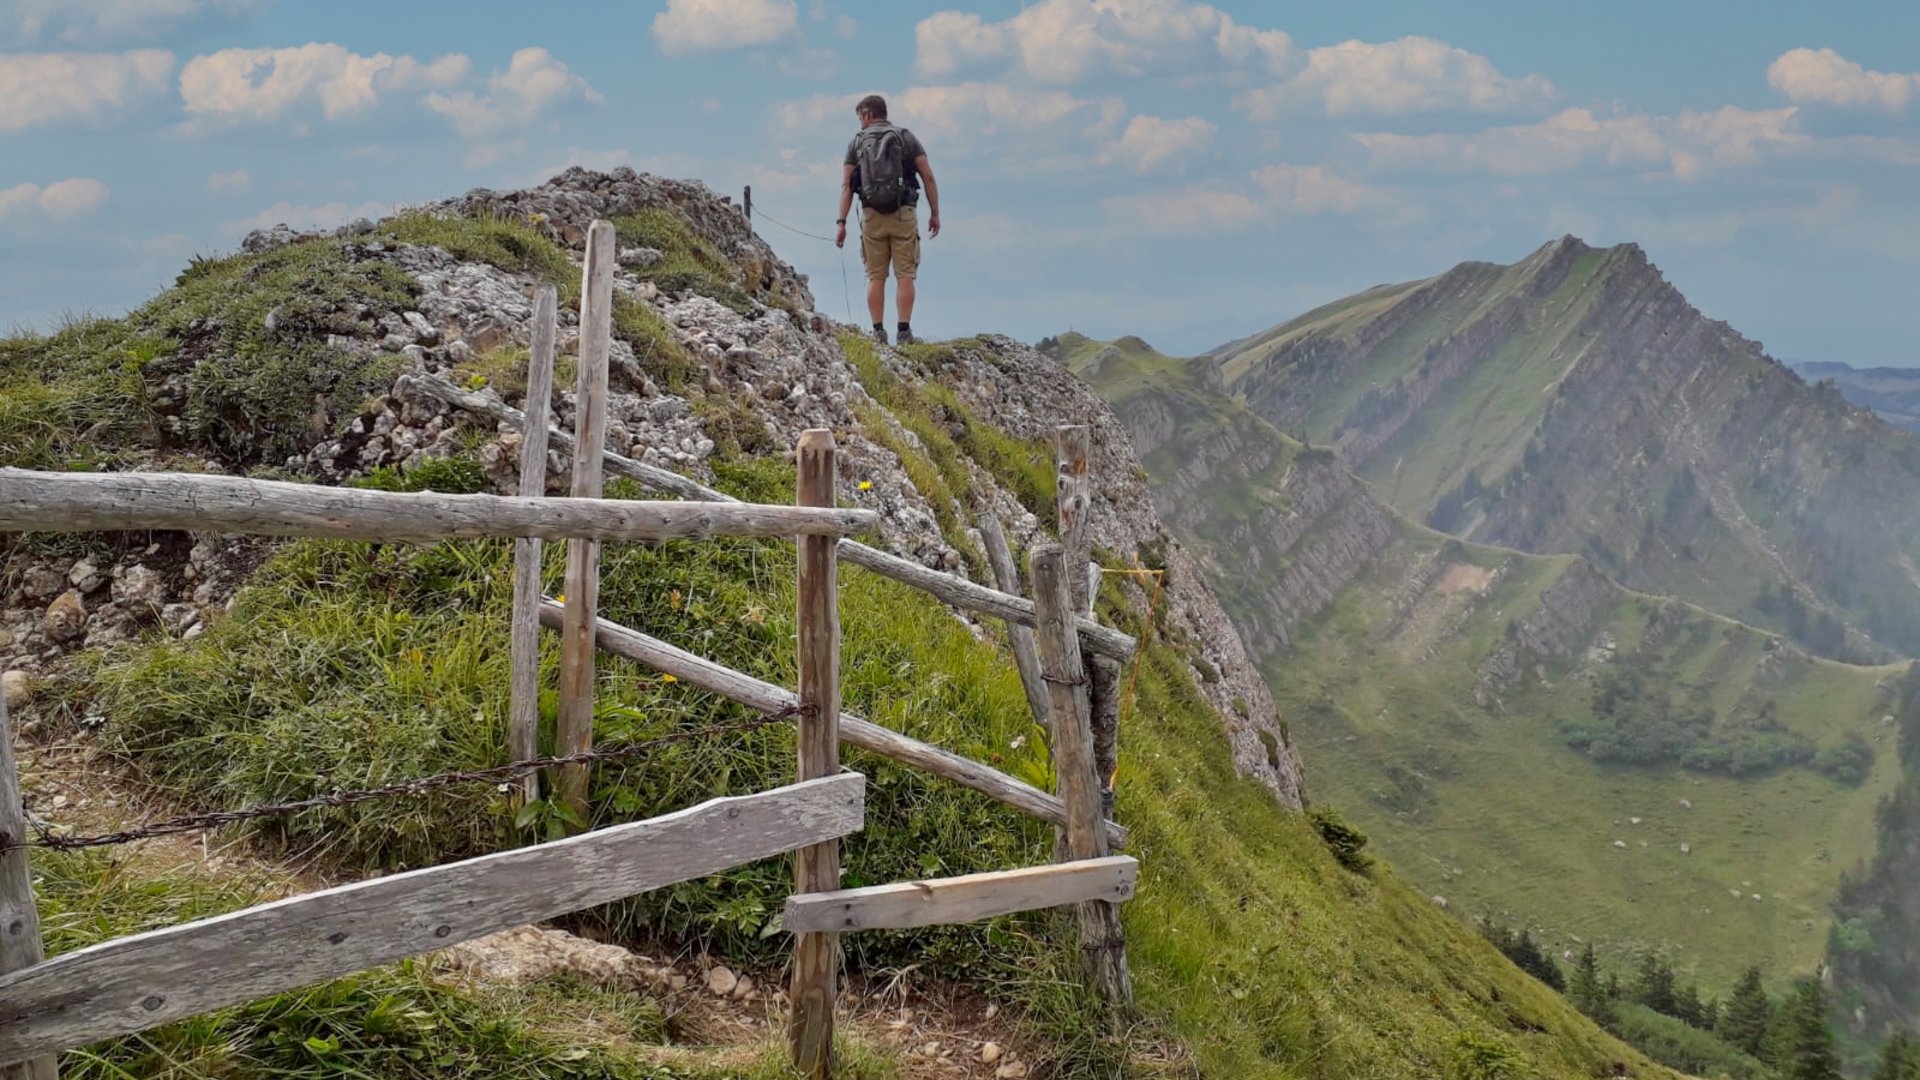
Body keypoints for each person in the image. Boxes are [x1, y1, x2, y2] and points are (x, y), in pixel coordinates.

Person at [836, 94, 939, 346]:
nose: (860, 122)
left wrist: (842, 223)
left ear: (868, 114)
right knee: (905, 274)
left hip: (872, 216)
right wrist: (935, 213)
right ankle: (904, 331)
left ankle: (878, 332)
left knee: (875, 276)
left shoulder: (856, 143)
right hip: (903, 212)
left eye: (860, 116)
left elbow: (847, 187)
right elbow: (927, 176)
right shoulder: (905, 137)